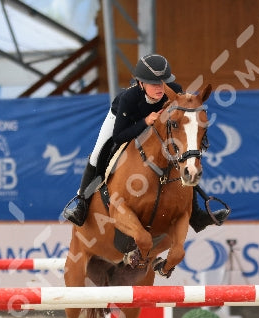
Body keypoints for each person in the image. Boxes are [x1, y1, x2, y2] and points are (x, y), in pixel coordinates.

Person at [61, 53, 230, 231]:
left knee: (183, 159)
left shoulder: (173, 90)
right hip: (125, 122)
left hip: (155, 130)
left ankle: (196, 215)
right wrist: (145, 122)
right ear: (141, 83)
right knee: (98, 154)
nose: (160, 88)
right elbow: (120, 136)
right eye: (154, 84)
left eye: (163, 83)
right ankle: (82, 204)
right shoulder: (128, 99)